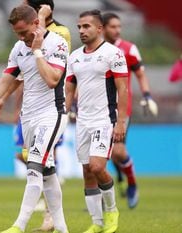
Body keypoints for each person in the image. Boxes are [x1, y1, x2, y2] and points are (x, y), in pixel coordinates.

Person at [0, 5, 69, 233]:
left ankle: (19, 226)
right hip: (28, 118)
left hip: (52, 114)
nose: (22, 38)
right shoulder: (18, 48)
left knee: (33, 166)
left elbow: (53, 79)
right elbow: (6, 80)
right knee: (48, 173)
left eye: (24, 32)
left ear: (36, 24)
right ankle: (63, 229)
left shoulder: (57, 43)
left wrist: (37, 51)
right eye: (17, 34)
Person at [65, 9, 127, 233]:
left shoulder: (114, 54)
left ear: (99, 28)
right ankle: (97, 222)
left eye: (86, 26)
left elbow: (123, 89)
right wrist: (63, 114)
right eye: (79, 26)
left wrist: (120, 122)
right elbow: (69, 87)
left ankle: (111, 211)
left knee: (98, 166)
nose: (81, 30)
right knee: (87, 173)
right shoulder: (74, 56)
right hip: (82, 121)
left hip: (104, 120)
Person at [102, 12, 158, 209]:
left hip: (121, 109)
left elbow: (141, 74)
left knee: (118, 151)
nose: (117, 30)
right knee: (101, 156)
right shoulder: (93, 50)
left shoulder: (129, 49)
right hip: (97, 109)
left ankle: (132, 183)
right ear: (102, 27)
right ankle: (103, 194)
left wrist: (147, 95)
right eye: (113, 26)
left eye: (119, 26)